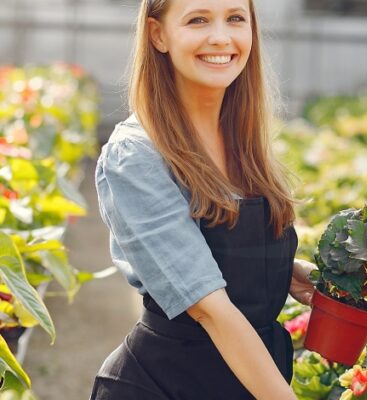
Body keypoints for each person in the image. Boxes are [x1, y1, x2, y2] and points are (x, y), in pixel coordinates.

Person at [90, 0, 315, 398]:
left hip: (245, 380)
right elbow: (207, 306)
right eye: (198, 20)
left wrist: (279, 267)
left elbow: (214, 243)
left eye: (235, 18)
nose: (220, 37)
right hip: (165, 384)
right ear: (158, 34)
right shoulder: (136, 154)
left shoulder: (243, 140)